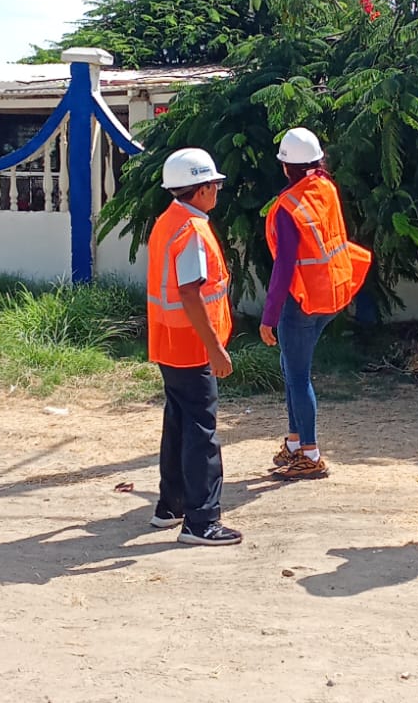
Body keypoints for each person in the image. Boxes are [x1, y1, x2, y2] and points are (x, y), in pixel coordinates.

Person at [260, 127, 371, 480]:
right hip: (332, 293)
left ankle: (310, 453)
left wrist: (269, 316)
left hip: (303, 302)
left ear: (285, 166)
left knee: (297, 376)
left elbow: (284, 267)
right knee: (291, 368)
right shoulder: (326, 188)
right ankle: (295, 444)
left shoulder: (287, 207)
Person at [146, 147, 241, 546]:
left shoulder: (168, 221)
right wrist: (215, 348)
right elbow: (190, 292)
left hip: (169, 340)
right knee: (201, 430)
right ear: (201, 190)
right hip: (191, 344)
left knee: (179, 423)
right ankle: (201, 522)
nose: (217, 190)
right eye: (214, 184)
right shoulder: (192, 231)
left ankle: (171, 506)